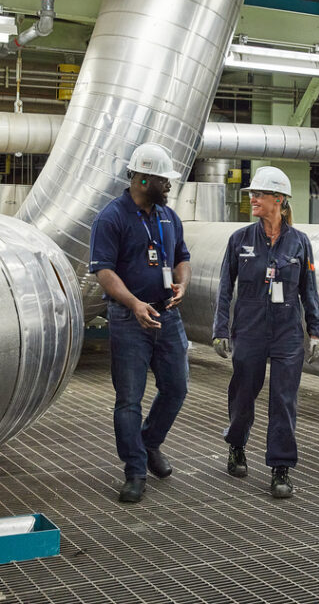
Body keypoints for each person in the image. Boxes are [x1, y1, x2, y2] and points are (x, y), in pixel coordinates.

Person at [212, 166, 319, 499]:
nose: (253, 199)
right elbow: (223, 287)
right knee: (243, 393)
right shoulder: (240, 240)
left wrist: (315, 329)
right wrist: (221, 328)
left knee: (284, 400)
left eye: (258, 195)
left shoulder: (299, 243)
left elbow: (310, 289)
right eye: (252, 194)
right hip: (250, 329)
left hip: (287, 331)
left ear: (279, 200)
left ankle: (281, 468)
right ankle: (236, 444)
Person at [89, 143, 192, 504]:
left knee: (176, 387)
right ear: (143, 178)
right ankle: (134, 470)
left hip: (168, 316)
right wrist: (133, 304)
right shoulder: (112, 217)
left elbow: (182, 258)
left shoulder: (168, 217)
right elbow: (103, 271)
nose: (169, 187)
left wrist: (183, 283)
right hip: (129, 320)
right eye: (164, 181)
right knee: (129, 399)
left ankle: (149, 443)